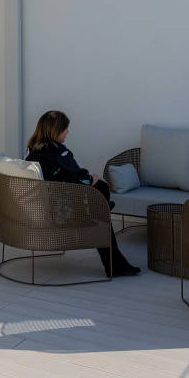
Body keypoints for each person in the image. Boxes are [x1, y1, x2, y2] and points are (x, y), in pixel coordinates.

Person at [25, 111, 140, 277]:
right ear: (56, 131)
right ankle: (116, 265)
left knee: (99, 196)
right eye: (66, 129)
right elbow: (83, 181)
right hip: (60, 212)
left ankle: (105, 209)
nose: (68, 132)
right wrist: (91, 177)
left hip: (39, 208)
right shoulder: (59, 153)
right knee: (99, 194)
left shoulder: (31, 150)